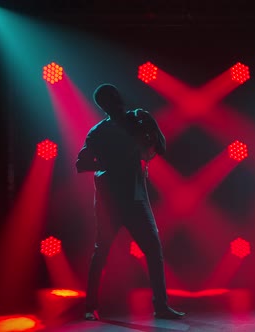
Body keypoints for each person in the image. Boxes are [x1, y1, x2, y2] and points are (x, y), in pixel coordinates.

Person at [75, 83, 185, 321]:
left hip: (135, 199)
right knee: (101, 252)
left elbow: (161, 149)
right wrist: (107, 164)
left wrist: (152, 124)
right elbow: (80, 164)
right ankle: (90, 306)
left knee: (153, 250)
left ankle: (161, 307)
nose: (115, 100)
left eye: (114, 95)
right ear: (103, 105)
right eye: (108, 98)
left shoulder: (136, 121)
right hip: (110, 202)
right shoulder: (98, 132)